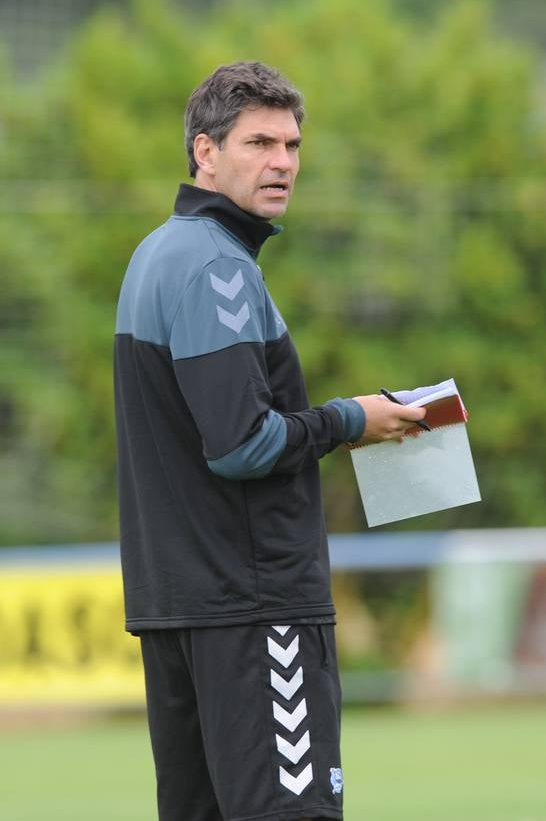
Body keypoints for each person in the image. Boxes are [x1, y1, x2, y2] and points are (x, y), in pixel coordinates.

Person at [113, 60, 426, 820]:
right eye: (258, 142)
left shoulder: (158, 252)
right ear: (205, 152)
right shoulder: (216, 266)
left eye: (290, 145)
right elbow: (241, 445)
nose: (282, 161)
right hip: (252, 607)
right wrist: (353, 420)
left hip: (183, 603)